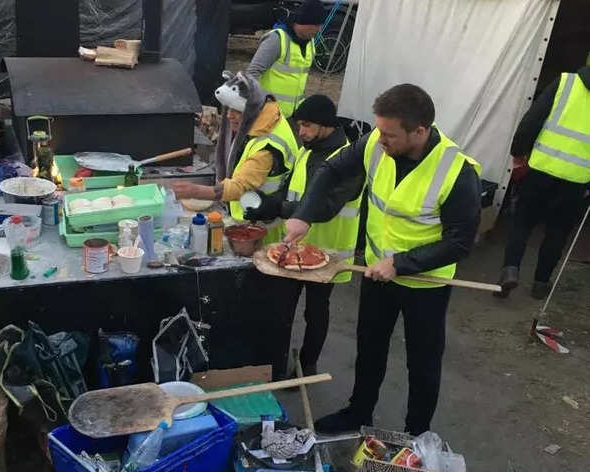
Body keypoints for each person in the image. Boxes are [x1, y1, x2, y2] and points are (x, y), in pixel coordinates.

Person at [284, 84, 482, 435]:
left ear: (419, 131)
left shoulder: (456, 171)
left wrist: (400, 264)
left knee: (423, 362)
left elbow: (460, 242)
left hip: (425, 282)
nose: (380, 139)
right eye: (379, 130)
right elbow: (330, 171)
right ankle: (359, 413)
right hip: (376, 274)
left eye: (389, 133)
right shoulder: (376, 143)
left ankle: (416, 434)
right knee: (369, 347)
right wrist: (305, 214)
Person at [244, 95, 359, 376]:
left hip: (327, 253)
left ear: (326, 125)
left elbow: (326, 207)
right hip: (291, 247)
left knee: (316, 312)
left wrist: (278, 206)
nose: (301, 132)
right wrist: (267, 205)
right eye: (299, 125)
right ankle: (276, 363)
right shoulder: (307, 150)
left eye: (307, 126)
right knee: (282, 308)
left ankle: (308, 365)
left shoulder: (349, 161)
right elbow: (291, 188)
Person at [495, 65, 590, 299]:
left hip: (540, 169)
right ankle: (540, 283)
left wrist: (518, 153)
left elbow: (533, 118)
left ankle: (509, 271)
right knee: (557, 231)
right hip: (577, 180)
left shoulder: (565, 83)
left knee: (522, 223)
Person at [172, 72, 299, 245]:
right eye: (228, 109)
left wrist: (195, 191)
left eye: (236, 111)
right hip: (252, 216)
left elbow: (240, 187)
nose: (229, 116)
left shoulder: (266, 148)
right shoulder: (266, 115)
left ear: (251, 111)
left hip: (259, 226)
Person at [246, 0, 324, 118]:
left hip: (291, 116)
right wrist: (259, 106)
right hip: (267, 115)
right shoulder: (276, 39)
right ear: (306, 23)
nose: (319, 30)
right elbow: (252, 73)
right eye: (317, 25)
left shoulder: (310, 43)